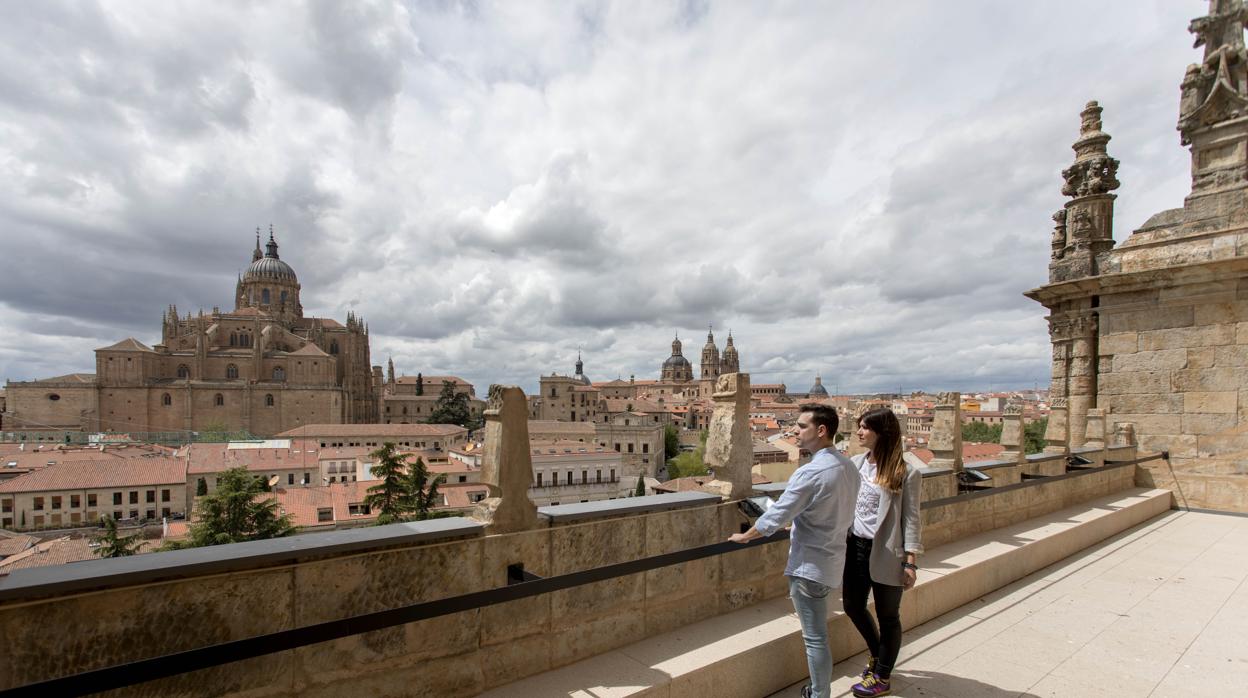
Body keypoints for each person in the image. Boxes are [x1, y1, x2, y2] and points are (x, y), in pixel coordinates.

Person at [729, 404, 859, 698]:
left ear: (821, 431)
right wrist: (802, 523)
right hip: (833, 561)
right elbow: (837, 511)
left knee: (815, 639)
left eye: (801, 426)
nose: (795, 431)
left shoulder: (810, 472)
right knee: (818, 635)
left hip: (808, 566)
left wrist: (745, 536)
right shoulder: (849, 466)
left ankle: (819, 693)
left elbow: (775, 517)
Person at [843, 407, 923, 697]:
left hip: (887, 551)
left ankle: (882, 677)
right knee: (852, 605)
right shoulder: (854, 463)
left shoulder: (906, 473)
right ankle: (879, 658)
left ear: (882, 433)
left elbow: (911, 519)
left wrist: (911, 562)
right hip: (855, 547)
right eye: (859, 426)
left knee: (889, 616)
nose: (859, 432)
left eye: (865, 427)